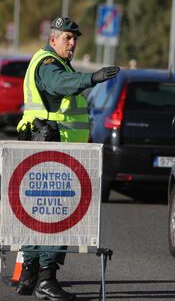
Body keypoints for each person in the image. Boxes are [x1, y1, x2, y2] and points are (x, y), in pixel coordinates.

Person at [15, 16, 120, 301]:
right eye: (67, 38)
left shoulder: (53, 61)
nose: (72, 43)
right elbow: (60, 85)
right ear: (53, 40)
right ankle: (46, 280)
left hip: (52, 149)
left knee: (38, 213)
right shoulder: (49, 65)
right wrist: (91, 78)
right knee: (57, 214)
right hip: (52, 148)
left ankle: (29, 274)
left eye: (75, 38)